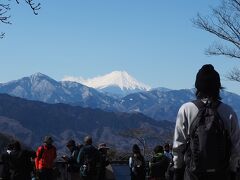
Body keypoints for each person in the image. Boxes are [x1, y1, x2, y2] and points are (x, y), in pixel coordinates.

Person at [172, 64, 240, 180]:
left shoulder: (186, 109)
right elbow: (236, 147)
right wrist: (233, 170)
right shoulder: (228, 112)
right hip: (221, 174)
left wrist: (177, 170)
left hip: (193, 174)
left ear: (197, 87)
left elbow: (178, 145)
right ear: (218, 87)